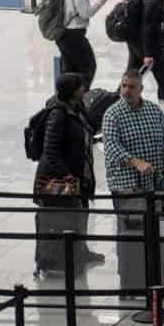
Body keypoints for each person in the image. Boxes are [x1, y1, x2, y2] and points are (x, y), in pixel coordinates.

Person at [102, 69, 164, 289]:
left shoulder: (154, 111)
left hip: (155, 181)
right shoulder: (112, 114)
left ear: (141, 89)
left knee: (161, 225)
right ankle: (130, 270)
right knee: (131, 228)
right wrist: (136, 162)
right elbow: (111, 146)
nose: (126, 91)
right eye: (123, 86)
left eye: (131, 87)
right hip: (127, 185)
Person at [33, 73, 104, 273]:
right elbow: (50, 151)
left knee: (81, 213)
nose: (84, 89)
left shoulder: (77, 107)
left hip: (78, 173)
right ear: (73, 91)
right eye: (81, 87)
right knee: (59, 219)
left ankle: (82, 250)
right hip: (60, 178)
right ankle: (53, 260)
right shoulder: (58, 113)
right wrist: (66, 175)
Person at [56, 0, 109, 90]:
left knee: (70, 69)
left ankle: (68, 97)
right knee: (88, 66)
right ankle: (81, 95)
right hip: (74, 36)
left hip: (63, 35)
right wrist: (100, 3)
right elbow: (86, 14)